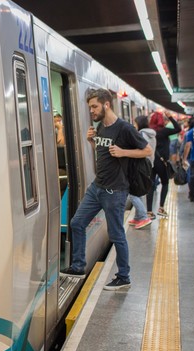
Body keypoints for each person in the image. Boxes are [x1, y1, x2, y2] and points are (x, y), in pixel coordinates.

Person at [60, 88, 153, 291]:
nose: (91, 111)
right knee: (77, 223)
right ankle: (78, 266)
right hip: (97, 187)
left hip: (115, 191)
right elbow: (103, 152)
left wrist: (123, 152)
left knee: (116, 234)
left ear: (106, 104)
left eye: (94, 106)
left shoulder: (125, 128)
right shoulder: (100, 127)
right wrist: (92, 142)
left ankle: (124, 276)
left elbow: (147, 150)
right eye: (90, 107)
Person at [146, 110, 180, 219]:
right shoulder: (164, 131)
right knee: (165, 183)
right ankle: (161, 207)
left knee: (150, 185)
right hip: (162, 162)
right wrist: (170, 117)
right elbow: (178, 128)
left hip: (150, 161)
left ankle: (149, 211)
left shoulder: (148, 132)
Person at [127, 115, 156, 230]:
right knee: (139, 190)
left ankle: (143, 217)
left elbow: (142, 150)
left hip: (140, 165)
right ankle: (138, 217)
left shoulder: (142, 134)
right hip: (148, 165)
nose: (134, 125)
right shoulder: (152, 134)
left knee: (132, 192)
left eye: (135, 123)